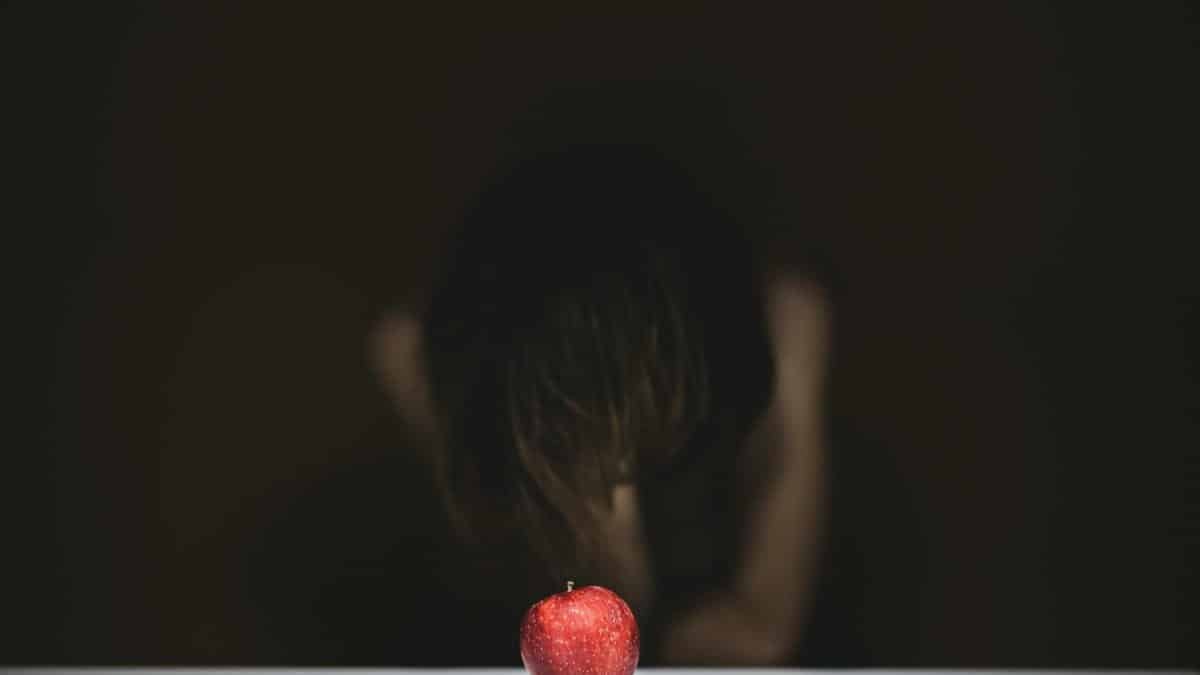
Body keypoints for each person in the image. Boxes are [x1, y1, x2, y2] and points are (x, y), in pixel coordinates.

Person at [370, 143, 832, 665]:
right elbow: (585, 626)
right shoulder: (426, 358)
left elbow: (750, 637)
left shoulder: (777, 330)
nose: (616, 470)